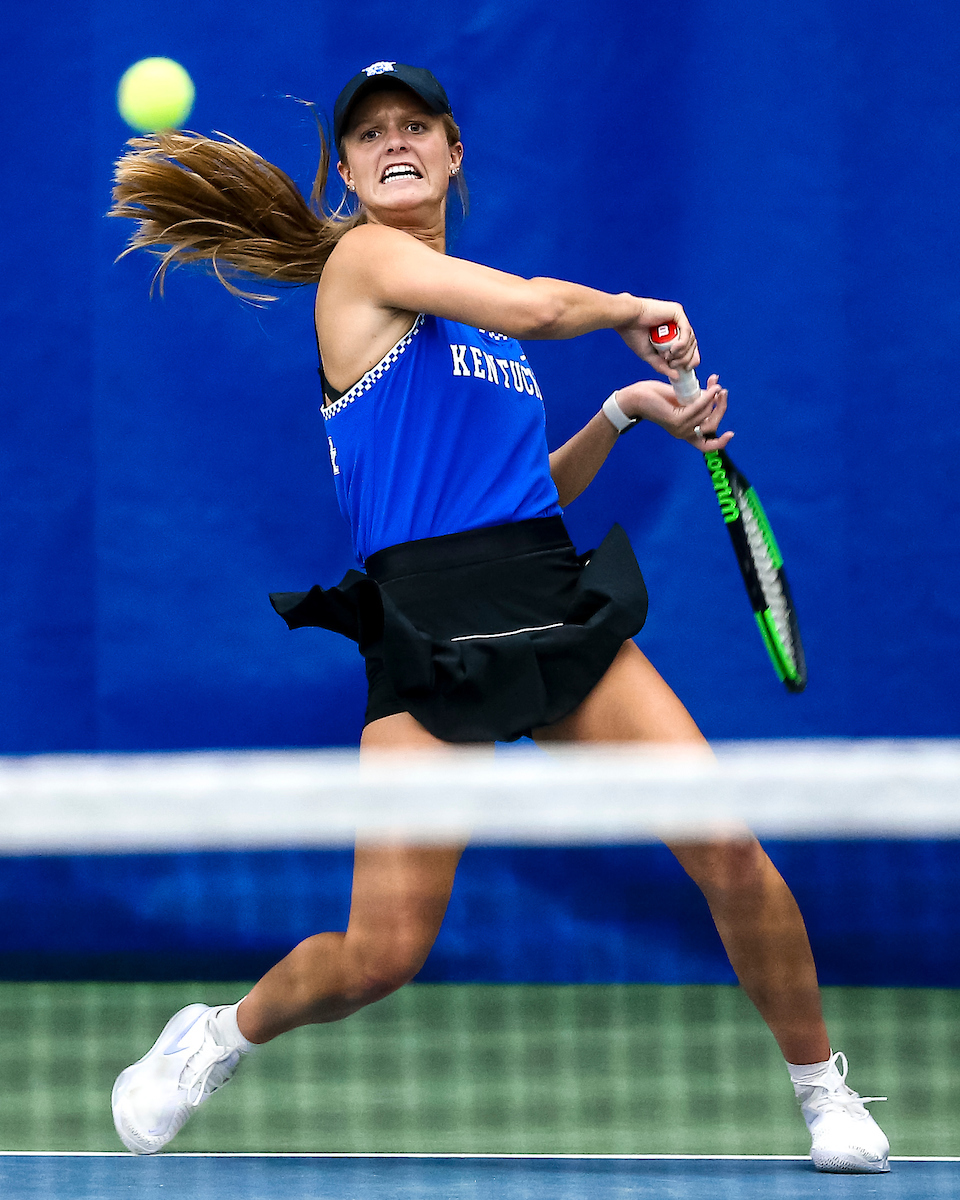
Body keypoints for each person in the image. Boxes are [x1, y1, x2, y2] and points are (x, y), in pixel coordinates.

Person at [108, 61, 889, 1171]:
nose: (394, 141)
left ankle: (823, 1092)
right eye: (369, 134)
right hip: (425, 622)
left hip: (545, 595)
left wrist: (622, 409)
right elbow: (538, 303)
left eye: (415, 125)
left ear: (453, 151)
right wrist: (633, 311)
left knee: (726, 845)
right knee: (381, 954)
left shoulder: (483, 336)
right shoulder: (365, 263)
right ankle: (217, 1034)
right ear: (346, 174)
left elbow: (525, 495)